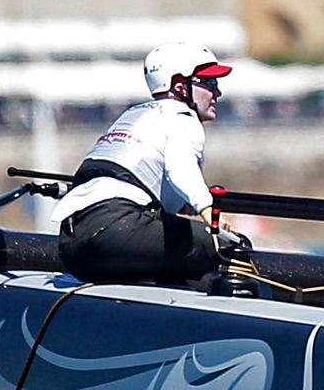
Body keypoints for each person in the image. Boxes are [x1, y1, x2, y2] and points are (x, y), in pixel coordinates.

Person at [56, 41, 241, 285]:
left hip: (72, 243)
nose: (217, 93)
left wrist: (184, 204)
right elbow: (181, 172)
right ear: (180, 86)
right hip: (116, 228)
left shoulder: (133, 115)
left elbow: (140, 178)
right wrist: (207, 209)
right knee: (230, 247)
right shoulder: (183, 118)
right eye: (208, 83)